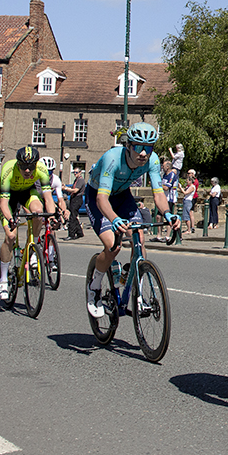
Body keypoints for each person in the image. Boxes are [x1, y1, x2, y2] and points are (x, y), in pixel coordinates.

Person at [85, 123, 180, 317]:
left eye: (149, 147)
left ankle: (137, 292)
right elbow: (101, 199)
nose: (143, 153)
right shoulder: (112, 159)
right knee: (113, 246)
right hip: (98, 196)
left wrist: (168, 214)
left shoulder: (151, 161)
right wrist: (114, 219)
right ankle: (94, 287)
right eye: (138, 147)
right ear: (128, 146)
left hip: (121, 196)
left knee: (139, 238)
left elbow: (158, 193)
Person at [0, 146, 59, 302]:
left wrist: (51, 217)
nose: (27, 170)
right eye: (23, 166)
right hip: (9, 196)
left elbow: (48, 198)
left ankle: (34, 245)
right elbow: (3, 203)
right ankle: (3, 280)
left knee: (38, 212)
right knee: (11, 236)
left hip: (27, 192)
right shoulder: (8, 169)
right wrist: (11, 219)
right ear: (18, 164)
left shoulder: (41, 169)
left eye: (31, 167)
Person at [62, 166, 87, 239]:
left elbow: (75, 190)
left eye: (76, 172)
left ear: (80, 173)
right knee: (74, 216)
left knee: (72, 217)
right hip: (73, 199)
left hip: (77, 199)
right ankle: (79, 232)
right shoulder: (76, 180)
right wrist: (65, 186)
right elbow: (72, 188)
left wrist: (65, 188)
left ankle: (71, 234)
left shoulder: (81, 180)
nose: (75, 174)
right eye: (74, 172)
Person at [181, 169, 199, 236]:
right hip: (190, 198)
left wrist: (181, 188)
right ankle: (191, 227)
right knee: (190, 212)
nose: (188, 174)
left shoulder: (194, 182)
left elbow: (188, 191)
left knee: (190, 213)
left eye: (189, 173)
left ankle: (191, 227)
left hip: (192, 198)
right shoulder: (191, 184)